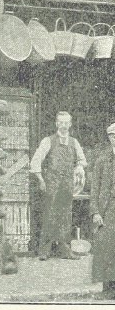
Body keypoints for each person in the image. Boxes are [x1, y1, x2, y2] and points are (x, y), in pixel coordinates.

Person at [30, 111, 87, 260]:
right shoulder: (48, 141)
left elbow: (82, 160)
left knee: (65, 216)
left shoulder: (74, 142)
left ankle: (64, 250)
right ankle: (44, 250)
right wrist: (41, 179)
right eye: (60, 122)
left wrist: (79, 167)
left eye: (66, 122)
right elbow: (35, 161)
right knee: (49, 215)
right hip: (52, 184)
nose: (63, 125)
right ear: (56, 123)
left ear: (70, 124)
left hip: (67, 184)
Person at [91, 123, 115, 296]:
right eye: (112, 135)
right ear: (108, 137)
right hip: (107, 210)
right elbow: (94, 188)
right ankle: (108, 287)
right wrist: (95, 212)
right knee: (106, 247)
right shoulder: (102, 159)